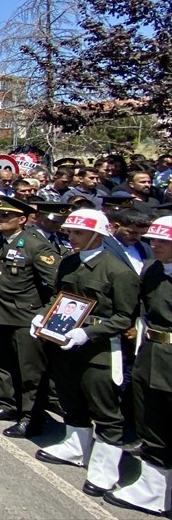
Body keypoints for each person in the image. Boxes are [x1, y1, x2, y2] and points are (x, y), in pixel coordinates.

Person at [35, 208, 138, 499]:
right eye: (69, 232)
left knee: (104, 409)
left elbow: (124, 317)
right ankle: (76, 447)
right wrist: (42, 317)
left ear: (97, 234)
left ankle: (105, 470)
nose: (71, 237)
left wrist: (88, 332)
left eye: (78, 232)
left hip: (100, 351)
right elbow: (59, 299)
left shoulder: (118, 271)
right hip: (66, 345)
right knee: (71, 398)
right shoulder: (68, 262)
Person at [0, 196, 60, 438]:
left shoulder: (36, 245)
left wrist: (44, 314)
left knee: (29, 371)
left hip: (27, 316)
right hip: (0, 311)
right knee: (1, 362)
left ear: (22, 219)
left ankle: (31, 416)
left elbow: (57, 283)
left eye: (5, 216)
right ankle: (7, 404)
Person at [104, 215, 171, 516]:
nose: (154, 246)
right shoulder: (153, 269)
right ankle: (155, 491)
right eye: (153, 241)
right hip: (152, 352)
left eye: (163, 242)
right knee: (153, 421)